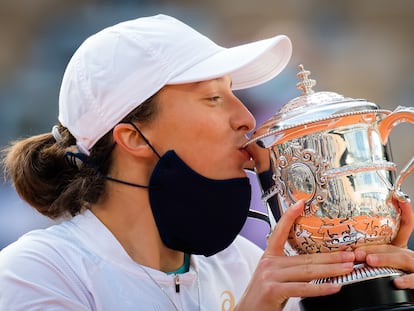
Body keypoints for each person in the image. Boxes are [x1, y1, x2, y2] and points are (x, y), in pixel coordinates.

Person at [0, 14, 413, 311]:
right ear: (133, 137)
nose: (247, 119)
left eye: (234, 93)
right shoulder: (37, 272)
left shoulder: (247, 265)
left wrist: (368, 284)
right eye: (213, 98)